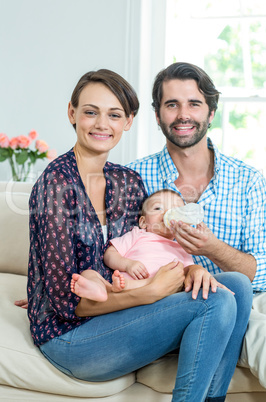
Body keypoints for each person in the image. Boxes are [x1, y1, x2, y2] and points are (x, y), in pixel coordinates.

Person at [18, 68, 253, 402]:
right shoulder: (55, 186)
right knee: (215, 300)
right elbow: (67, 304)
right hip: (70, 336)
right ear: (72, 113)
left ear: (128, 121)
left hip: (116, 310)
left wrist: (191, 269)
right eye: (90, 112)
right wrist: (151, 293)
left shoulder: (127, 182)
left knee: (238, 287)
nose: (102, 124)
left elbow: (143, 249)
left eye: (114, 114)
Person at [127, 61, 266, 390]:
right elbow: (110, 253)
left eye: (194, 103)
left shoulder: (248, 181)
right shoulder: (132, 178)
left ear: (211, 111)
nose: (182, 114)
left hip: (247, 298)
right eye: (171, 104)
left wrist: (211, 249)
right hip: (173, 307)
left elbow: (262, 273)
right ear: (158, 113)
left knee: (249, 309)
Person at [71, 189, 214, 296]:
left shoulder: (182, 247)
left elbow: (189, 272)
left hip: (162, 294)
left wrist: (195, 270)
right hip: (125, 287)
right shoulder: (138, 235)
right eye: (158, 208)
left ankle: (110, 289)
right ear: (143, 222)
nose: (167, 214)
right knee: (88, 273)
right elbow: (109, 254)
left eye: (175, 210)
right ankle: (97, 289)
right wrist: (127, 264)